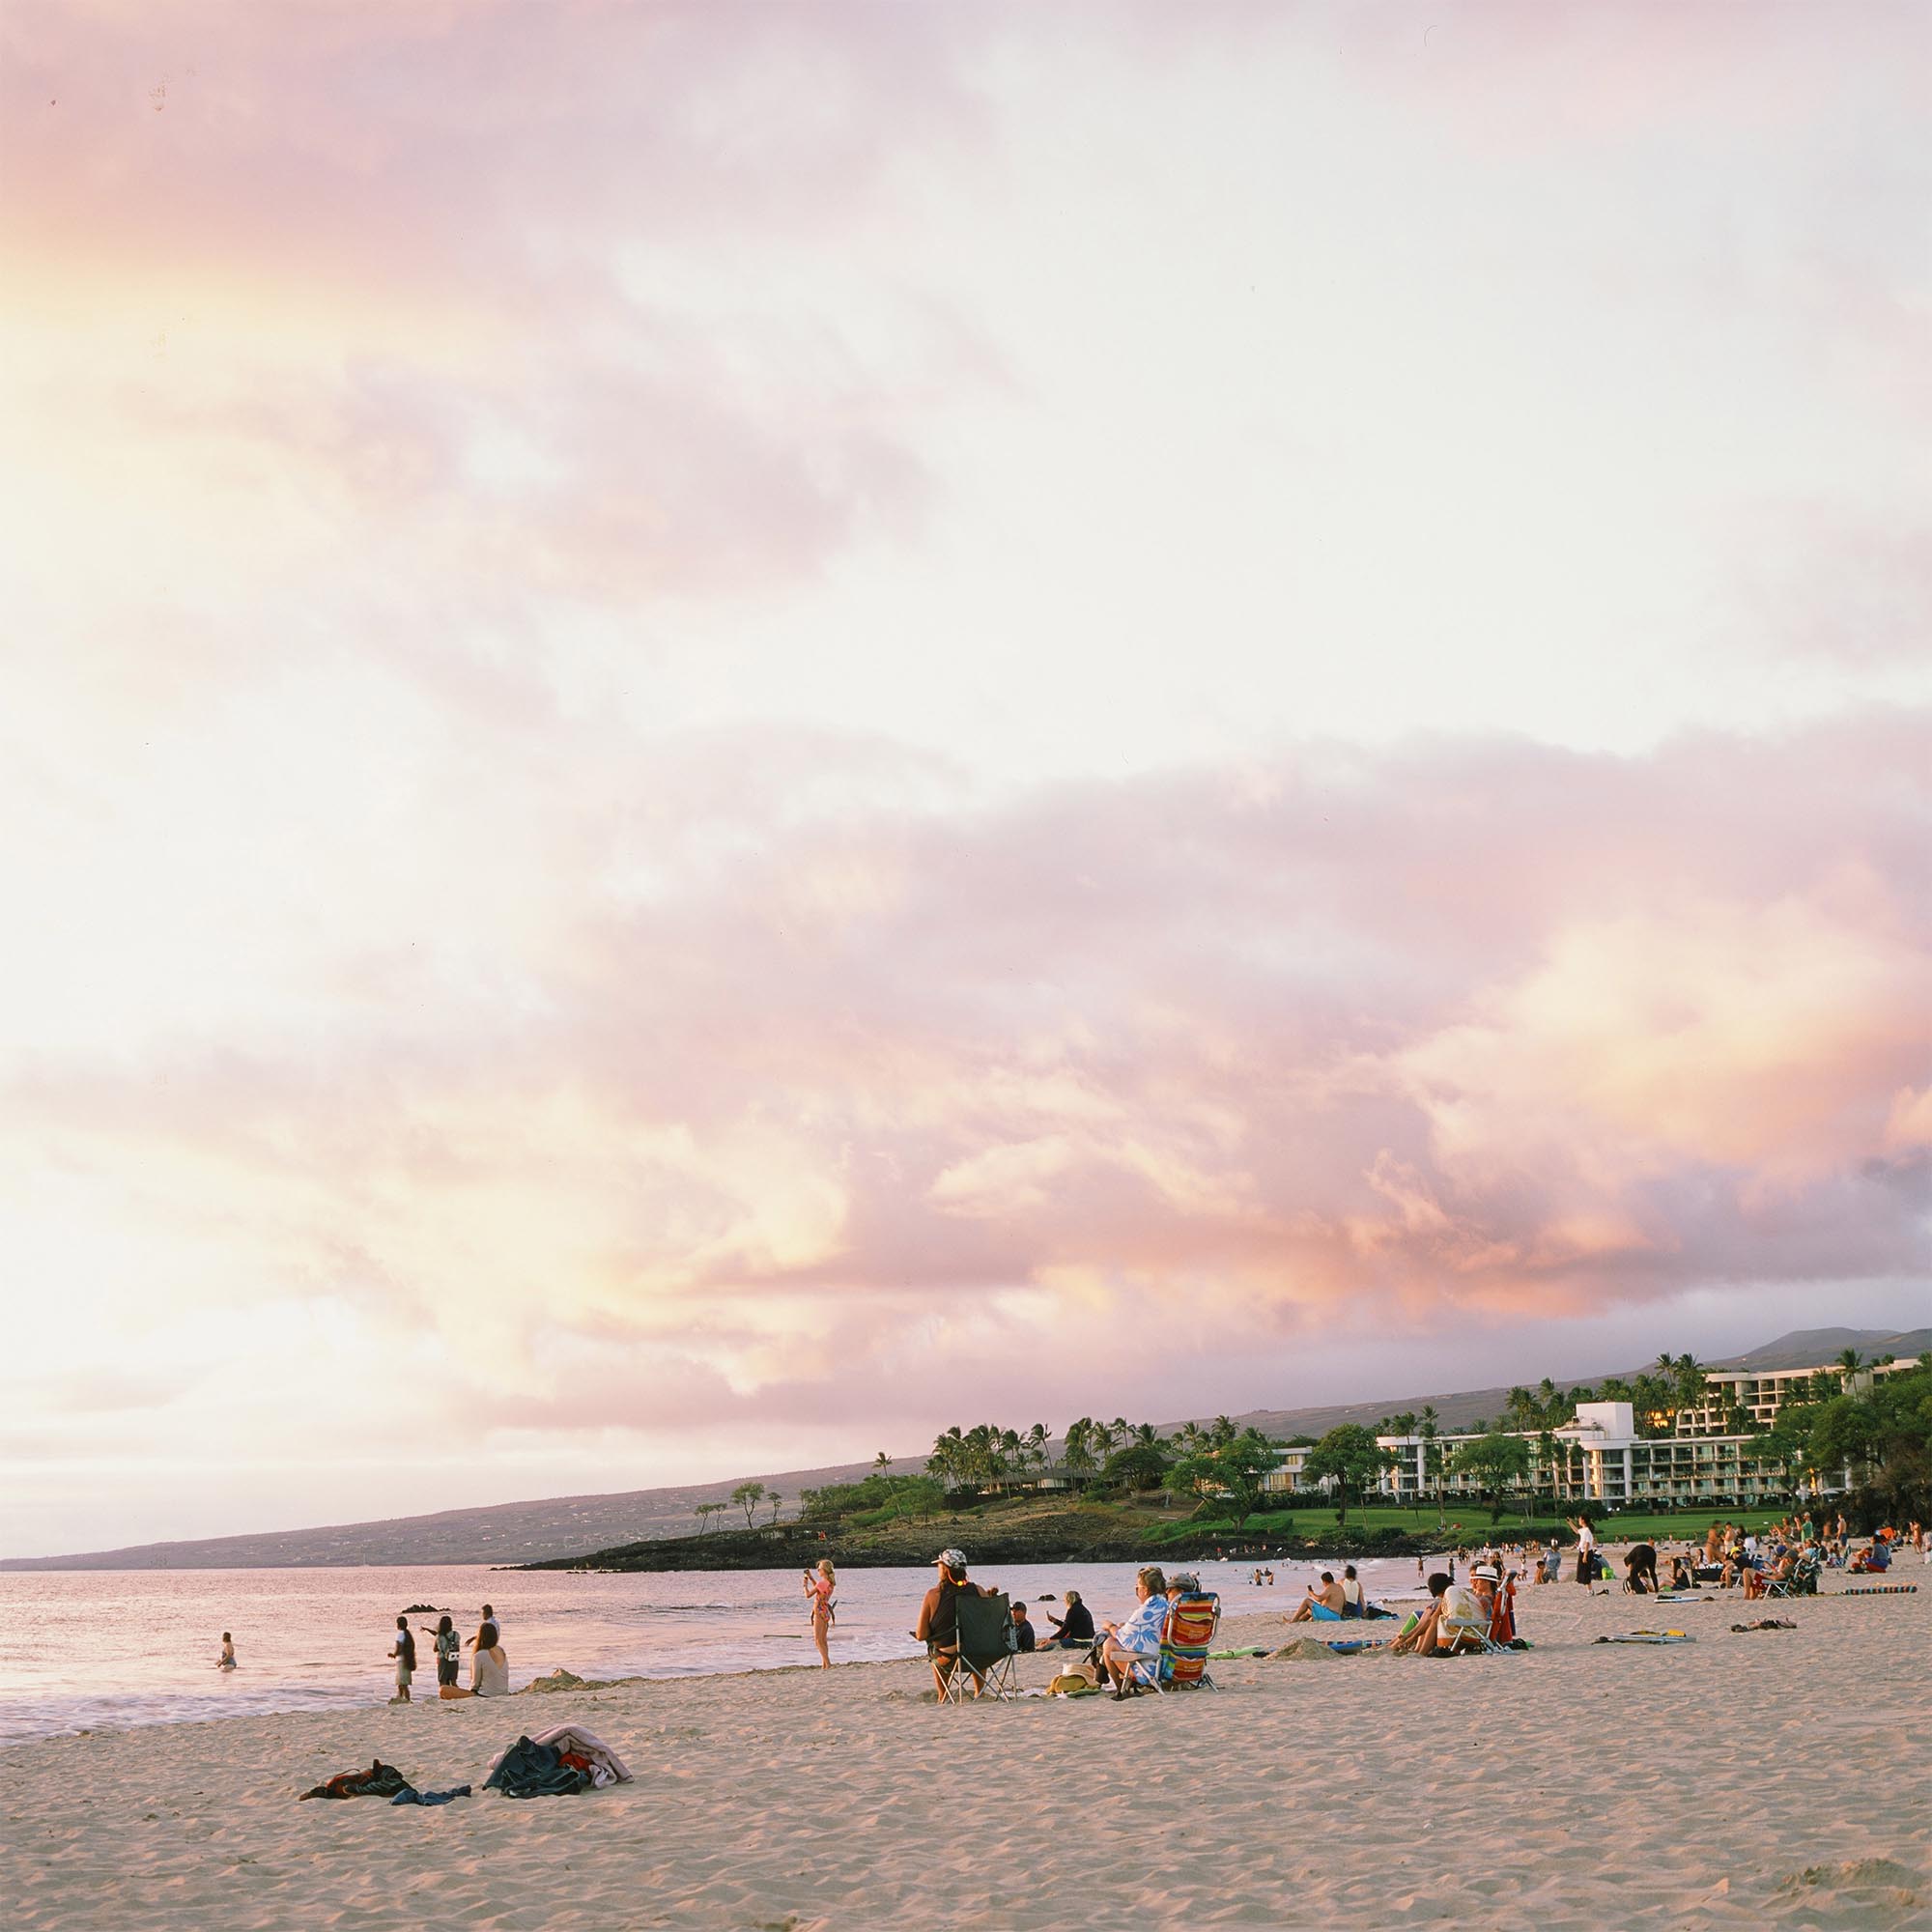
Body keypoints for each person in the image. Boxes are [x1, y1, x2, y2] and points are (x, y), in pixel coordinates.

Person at [914, 1548, 987, 1699]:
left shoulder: (933, 1595)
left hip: (950, 1657)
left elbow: (921, 1635)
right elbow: (989, 1623)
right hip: (984, 1654)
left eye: (939, 1566)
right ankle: (980, 1692)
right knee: (975, 1641)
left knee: (935, 1649)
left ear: (945, 1569)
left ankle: (944, 1695)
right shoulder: (979, 1591)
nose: (938, 1569)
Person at [1099, 1566, 1169, 1697]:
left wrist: (1109, 1626)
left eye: (1137, 1587)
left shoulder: (1145, 1611)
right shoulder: (1167, 1605)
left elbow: (1122, 1638)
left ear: (1146, 1590)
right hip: (1171, 1665)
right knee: (1120, 1629)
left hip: (1153, 1669)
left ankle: (1121, 1689)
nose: (1136, 1590)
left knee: (1109, 1644)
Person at [442, 1620, 509, 1697]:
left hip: (485, 1695)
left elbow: (475, 1684)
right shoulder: (501, 1650)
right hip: (503, 1693)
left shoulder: (479, 1655)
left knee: (443, 1689)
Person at [1390, 1573, 1452, 1654]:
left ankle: (1398, 1646)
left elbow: (1428, 1622)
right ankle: (1407, 1646)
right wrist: (1410, 1636)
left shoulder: (1446, 1597)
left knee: (1395, 1643)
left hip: (1419, 1617)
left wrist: (1410, 1636)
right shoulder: (1452, 1594)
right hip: (1423, 1617)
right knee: (1396, 1643)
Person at [804, 1560, 837, 1668]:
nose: (818, 1570)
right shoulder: (829, 1583)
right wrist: (811, 1577)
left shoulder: (822, 1583)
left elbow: (808, 1595)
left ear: (824, 1570)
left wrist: (805, 1584)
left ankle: (828, 1664)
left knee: (818, 1641)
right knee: (823, 1641)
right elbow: (819, 1588)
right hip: (825, 1612)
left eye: (819, 1569)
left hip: (818, 1612)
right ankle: (825, 1665)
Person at [387, 1615, 416, 1704]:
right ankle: (399, 1698)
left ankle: (407, 1700)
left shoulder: (400, 1634)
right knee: (401, 1683)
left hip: (401, 1661)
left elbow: (398, 1647)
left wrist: (393, 1654)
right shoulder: (408, 1634)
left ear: (398, 1624)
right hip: (407, 1660)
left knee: (403, 1684)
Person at [433, 1614, 461, 1690]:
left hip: (443, 1660)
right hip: (454, 1659)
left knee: (443, 1682)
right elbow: (457, 1648)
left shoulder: (439, 1636)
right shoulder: (456, 1634)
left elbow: (435, 1649)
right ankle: (458, 1696)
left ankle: (443, 1699)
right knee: (453, 1681)